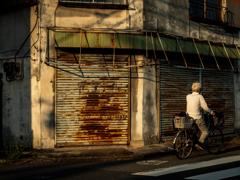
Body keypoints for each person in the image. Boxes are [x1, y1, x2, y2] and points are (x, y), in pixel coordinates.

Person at [186, 82, 215, 150]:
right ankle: (199, 143)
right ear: (199, 90)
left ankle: (192, 142)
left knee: (194, 130)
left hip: (189, 117)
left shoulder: (188, 96)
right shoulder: (200, 96)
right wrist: (211, 112)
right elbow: (205, 108)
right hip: (197, 118)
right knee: (205, 131)